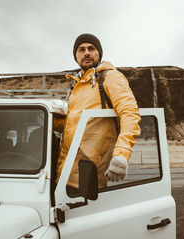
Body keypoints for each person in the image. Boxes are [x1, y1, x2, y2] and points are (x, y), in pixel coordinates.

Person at [55, 33, 141, 194]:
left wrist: (121, 154)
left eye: (91, 48)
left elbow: (130, 113)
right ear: (76, 55)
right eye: (81, 49)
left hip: (89, 175)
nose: (86, 52)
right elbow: (73, 125)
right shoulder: (76, 86)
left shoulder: (110, 77)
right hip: (64, 173)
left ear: (99, 53)